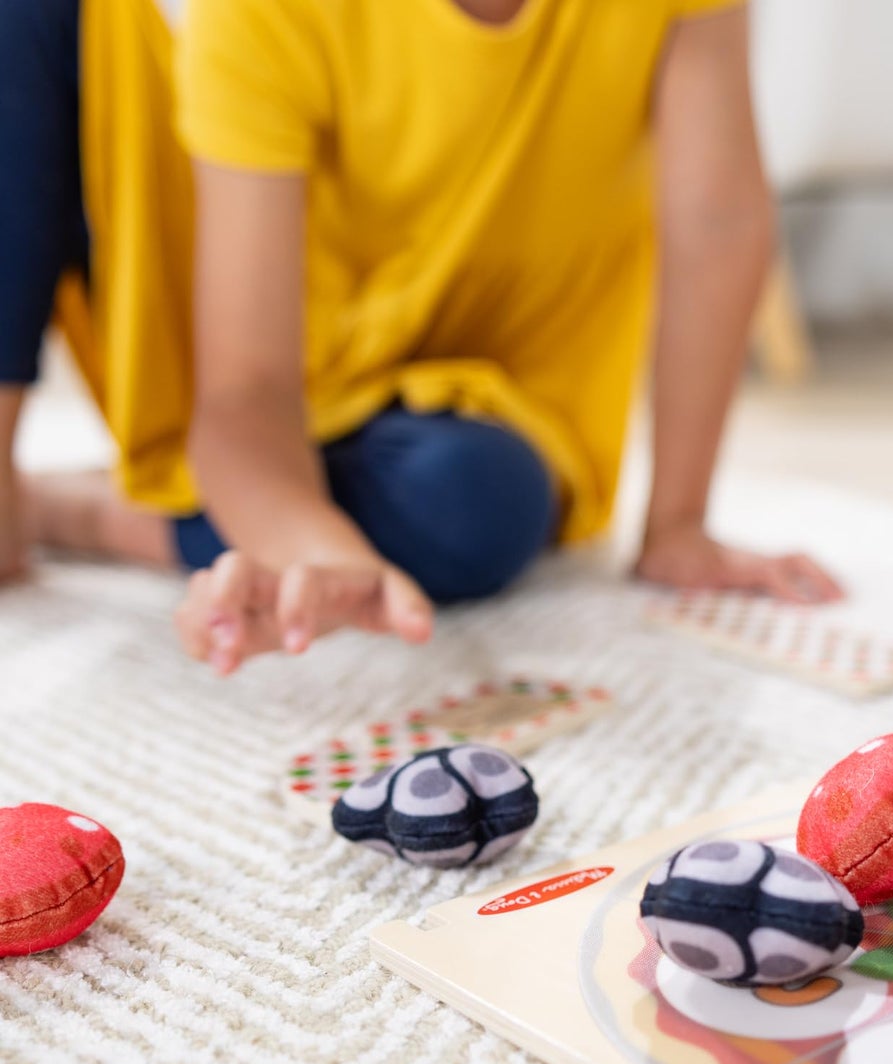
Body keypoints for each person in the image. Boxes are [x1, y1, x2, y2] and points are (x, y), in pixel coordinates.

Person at [0, 0, 842, 675]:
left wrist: (678, 524)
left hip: (477, 404)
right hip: (247, 361)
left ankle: (91, 512)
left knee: (473, 501)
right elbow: (247, 392)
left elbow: (718, 225)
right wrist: (321, 551)